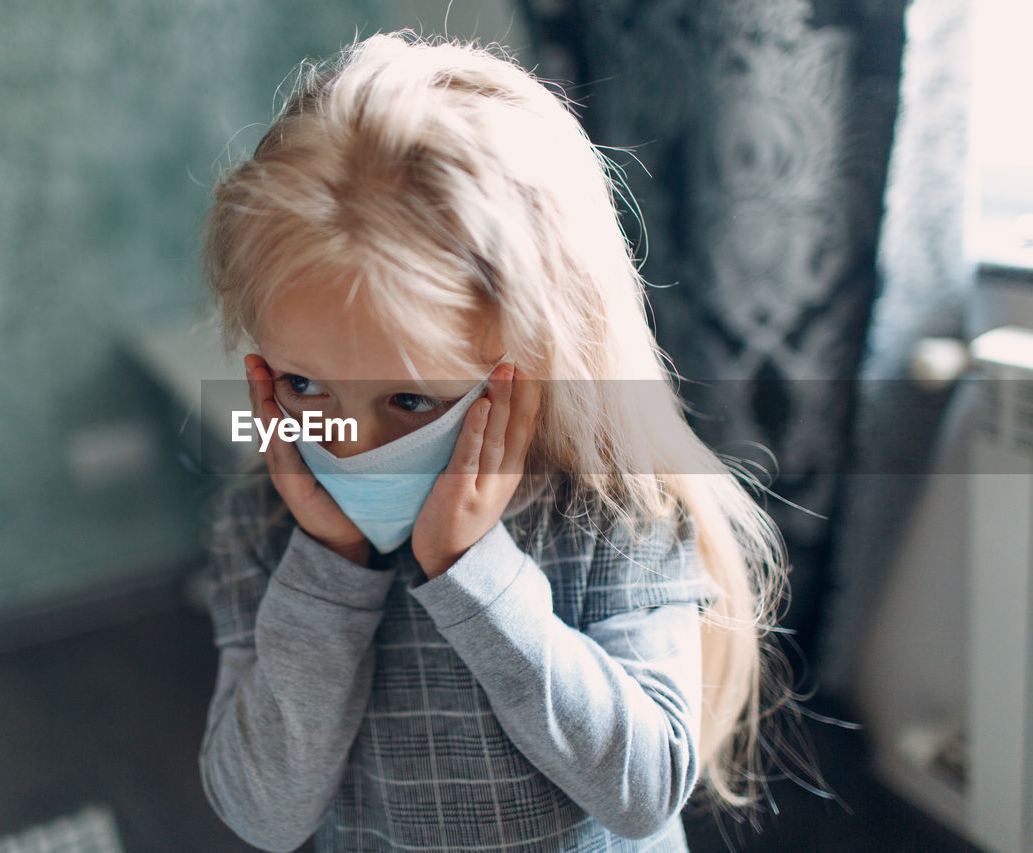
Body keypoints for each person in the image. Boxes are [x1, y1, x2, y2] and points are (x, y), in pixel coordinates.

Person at [197, 29, 793, 852]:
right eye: (304, 387)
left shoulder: (611, 509)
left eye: (411, 400)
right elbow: (261, 810)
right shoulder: (263, 526)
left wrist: (474, 574)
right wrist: (327, 572)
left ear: (541, 360)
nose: (356, 448)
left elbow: (645, 790)